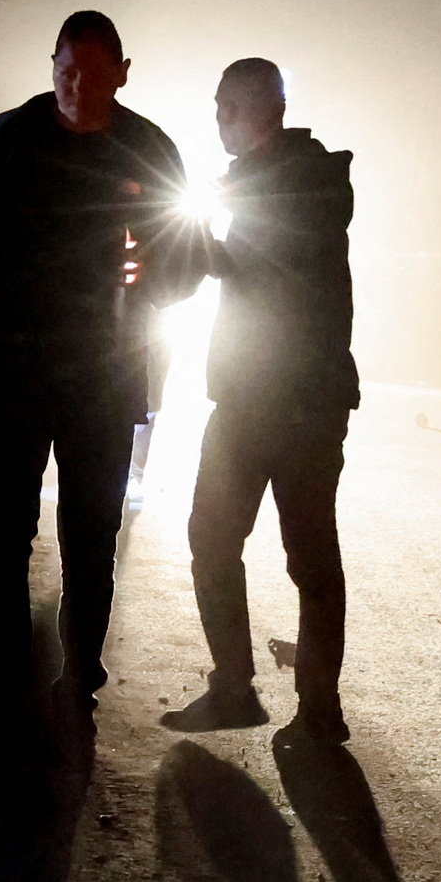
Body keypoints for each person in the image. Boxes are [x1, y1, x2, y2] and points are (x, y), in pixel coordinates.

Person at [0, 10, 185, 711]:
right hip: (13, 366)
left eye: (91, 72)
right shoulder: (6, 142)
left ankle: (81, 665)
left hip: (105, 370)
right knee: (6, 521)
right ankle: (2, 661)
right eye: (66, 71)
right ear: (51, 66)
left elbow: (183, 254)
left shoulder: (148, 151)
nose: (77, 86)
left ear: (123, 73)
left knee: (91, 526)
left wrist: (151, 279)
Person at [164, 59, 357, 743]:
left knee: (301, 554)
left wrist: (204, 243)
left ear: (263, 110)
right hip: (260, 394)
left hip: (291, 399)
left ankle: (305, 703)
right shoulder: (282, 181)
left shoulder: (304, 182)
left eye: (228, 109)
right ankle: (254, 692)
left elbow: (266, 269)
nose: (219, 121)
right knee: (228, 540)